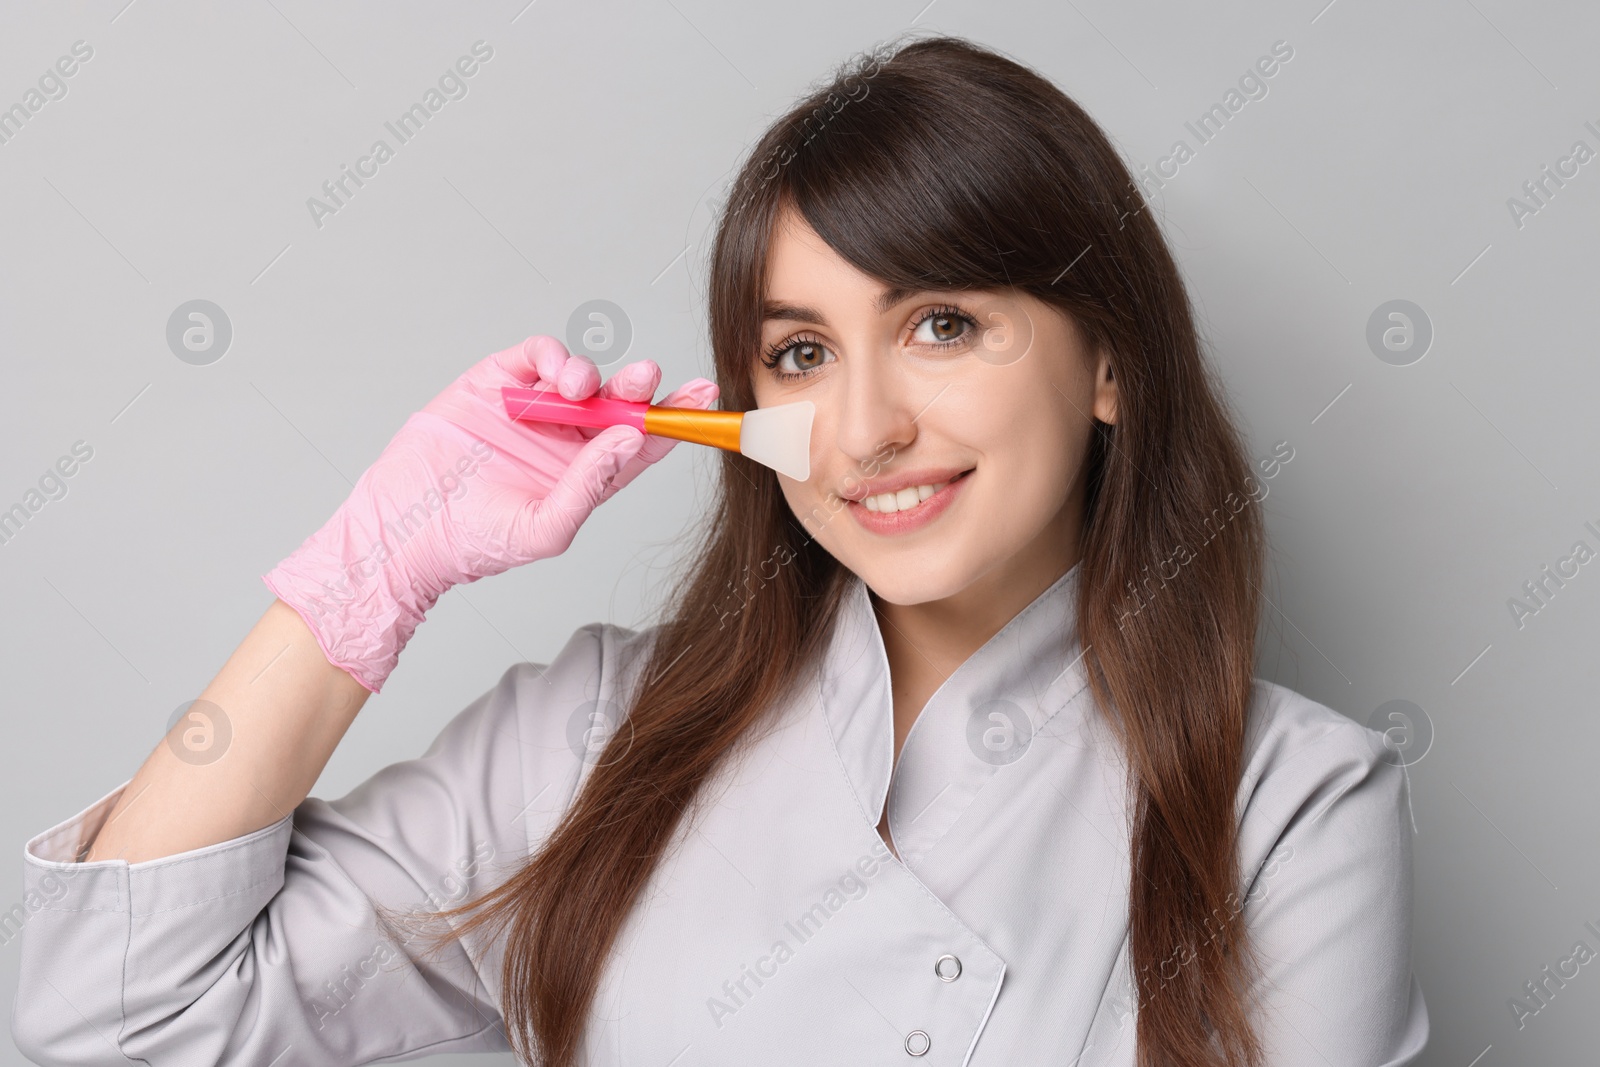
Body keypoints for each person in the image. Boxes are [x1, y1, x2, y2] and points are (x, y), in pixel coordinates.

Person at [10, 32, 1427, 1067]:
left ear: (1108, 363)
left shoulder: (1293, 810)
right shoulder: (596, 737)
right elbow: (105, 1018)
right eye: (802, 353)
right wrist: (371, 572)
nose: (866, 426)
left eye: (943, 325)